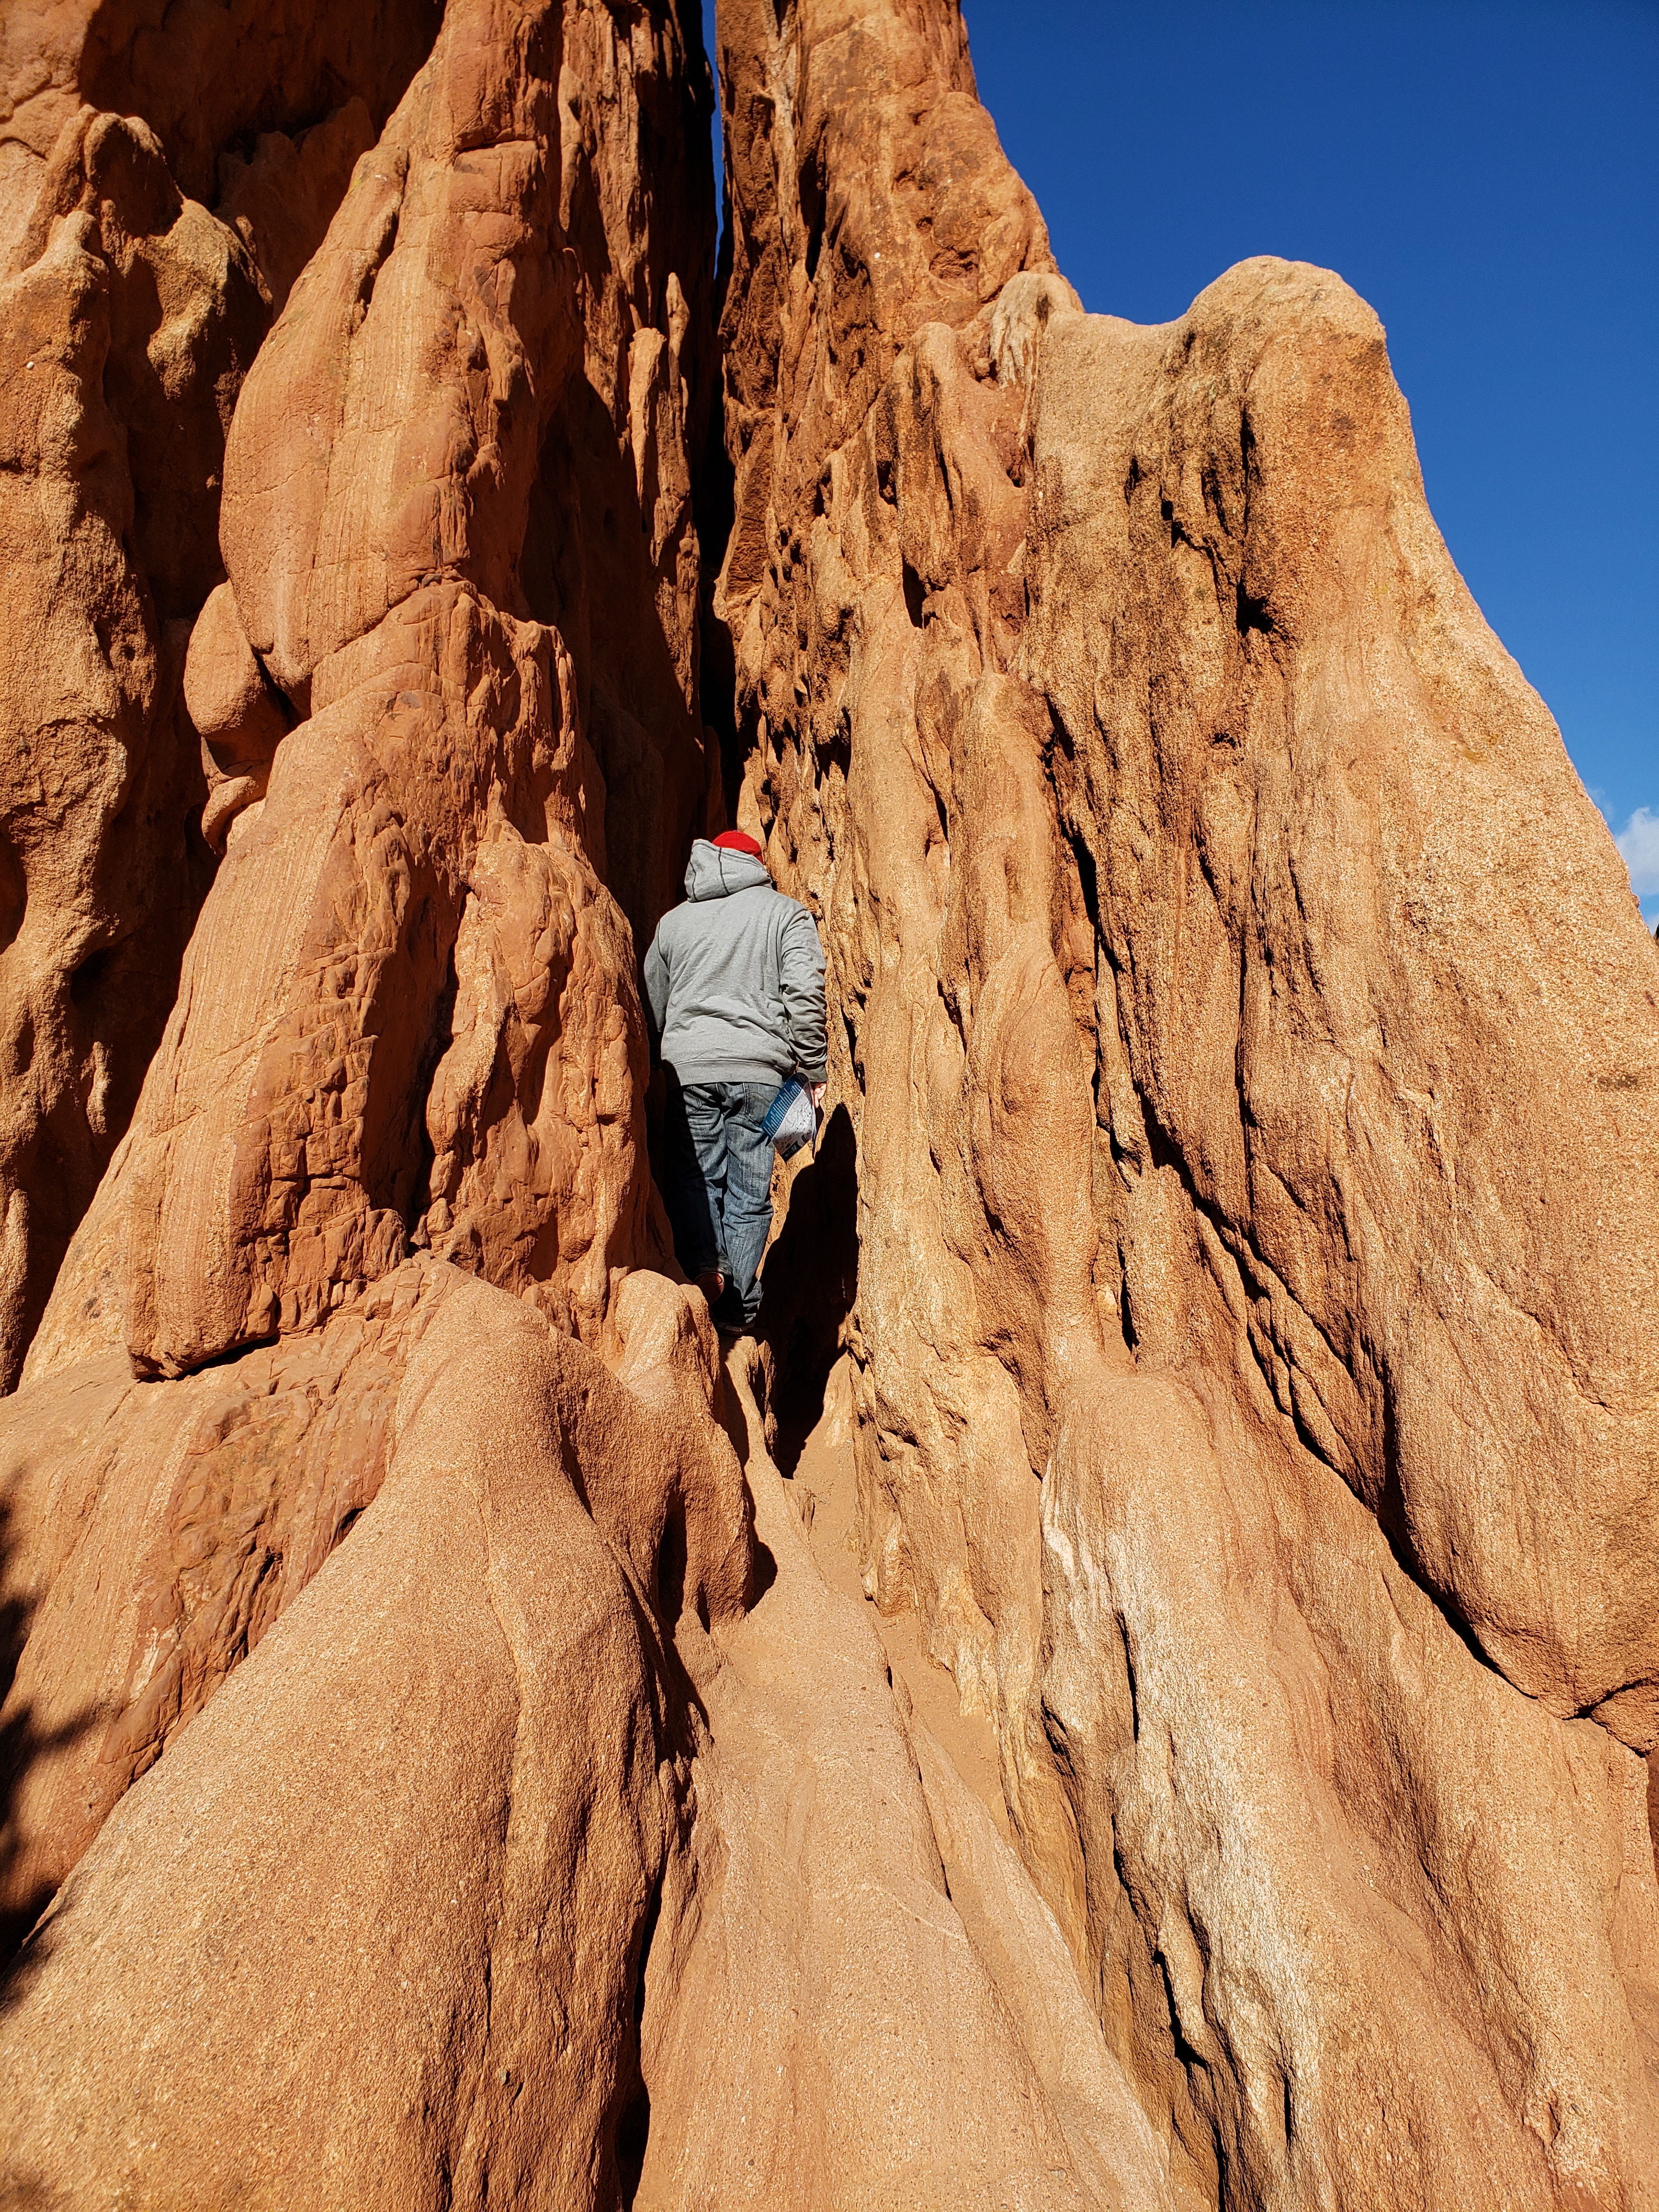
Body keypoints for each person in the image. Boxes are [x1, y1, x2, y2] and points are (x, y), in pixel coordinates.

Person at [642, 830, 827, 1334]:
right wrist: (812, 1069)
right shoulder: (784, 914)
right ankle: (738, 1307)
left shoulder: (673, 923)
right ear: (758, 865)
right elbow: (805, 992)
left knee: (694, 1178)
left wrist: (668, 1047)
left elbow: (652, 997)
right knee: (750, 1191)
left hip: (689, 1071)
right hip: (760, 1075)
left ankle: (707, 1267)